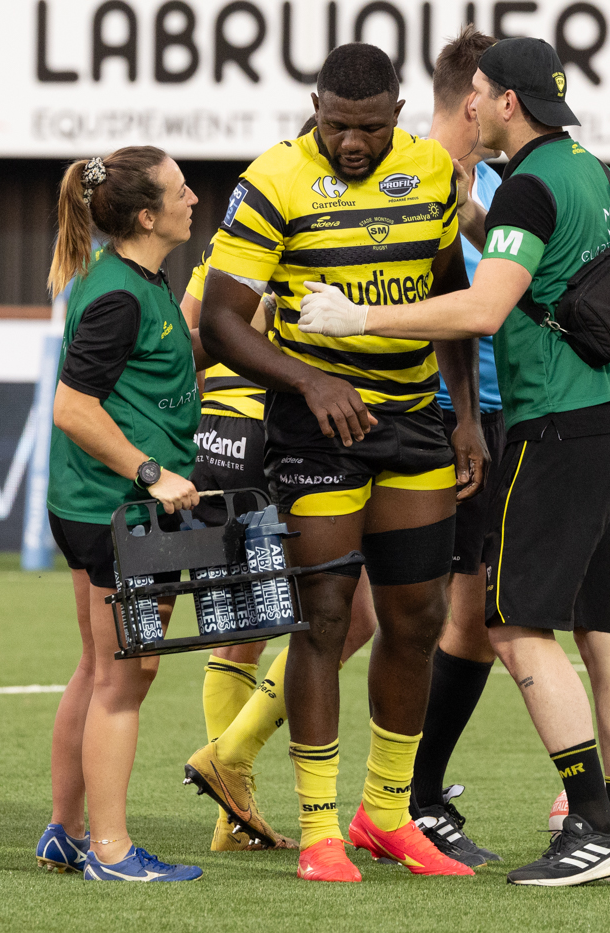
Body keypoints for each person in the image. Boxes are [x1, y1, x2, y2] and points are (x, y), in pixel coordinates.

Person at [297, 37, 610, 886]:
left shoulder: (528, 183)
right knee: (609, 638)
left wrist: (357, 320)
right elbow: (552, 266)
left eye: (483, 94)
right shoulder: (590, 170)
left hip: (561, 427)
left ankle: (594, 825)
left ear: (505, 102)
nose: (472, 107)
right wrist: (462, 226)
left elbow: (490, 306)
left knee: (514, 627)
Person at [192, 42, 485, 883]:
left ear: (396, 112)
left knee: (418, 618)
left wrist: (463, 416)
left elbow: (449, 297)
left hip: (412, 425)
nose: (350, 144)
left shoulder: (433, 172)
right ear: (313, 106)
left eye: (366, 128)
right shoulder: (274, 179)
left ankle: (386, 815)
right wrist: (309, 378)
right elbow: (222, 320)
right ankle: (319, 830)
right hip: (315, 429)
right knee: (321, 616)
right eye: (334, 126)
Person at [181, 116, 378, 855]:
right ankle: (229, 759)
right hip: (267, 444)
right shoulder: (309, 247)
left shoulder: (225, 253)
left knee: (244, 631)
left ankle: (232, 813)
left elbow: (185, 342)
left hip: (215, 441)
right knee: (348, 616)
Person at [35, 146, 206, 882]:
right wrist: (153, 473)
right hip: (120, 514)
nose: (194, 197)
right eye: (180, 189)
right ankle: (109, 850)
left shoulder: (134, 280)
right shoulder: (119, 293)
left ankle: (66, 831)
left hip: (94, 508)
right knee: (121, 681)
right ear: (147, 215)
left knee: (96, 670)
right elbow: (72, 407)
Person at [407, 24, 506, 869]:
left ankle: (418, 790)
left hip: (492, 415)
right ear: (473, 98)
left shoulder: (509, 184)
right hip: (421, 413)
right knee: (379, 613)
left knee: (468, 620)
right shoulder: (405, 176)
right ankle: (405, 796)